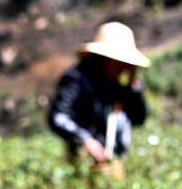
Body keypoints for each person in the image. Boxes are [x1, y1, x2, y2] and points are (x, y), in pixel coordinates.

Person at [48, 22, 149, 165]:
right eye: (120, 61)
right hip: (84, 161)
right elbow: (58, 116)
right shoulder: (76, 79)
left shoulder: (117, 84)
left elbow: (139, 118)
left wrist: (133, 87)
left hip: (113, 162)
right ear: (105, 57)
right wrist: (85, 140)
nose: (123, 67)